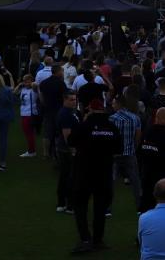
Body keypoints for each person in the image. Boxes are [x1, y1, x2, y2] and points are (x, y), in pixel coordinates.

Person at [68, 97, 122, 254]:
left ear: (90, 109)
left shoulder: (84, 125)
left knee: (80, 206)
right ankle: (98, 240)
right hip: (103, 173)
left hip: (83, 171)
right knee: (100, 207)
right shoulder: (111, 127)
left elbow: (71, 141)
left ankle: (85, 239)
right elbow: (118, 149)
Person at [138, 107, 165, 213]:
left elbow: (140, 151)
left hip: (147, 178)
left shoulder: (147, 132)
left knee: (147, 208)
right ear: (161, 118)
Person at [108, 94, 142, 215]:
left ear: (118, 104)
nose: (112, 105)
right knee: (135, 181)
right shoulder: (135, 118)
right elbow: (138, 135)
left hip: (115, 155)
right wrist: (134, 147)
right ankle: (140, 207)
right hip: (130, 153)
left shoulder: (112, 119)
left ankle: (107, 208)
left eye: (113, 103)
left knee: (110, 181)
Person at [55, 90, 79, 214]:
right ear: (65, 99)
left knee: (65, 176)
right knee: (70, 177)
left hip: (64, 149)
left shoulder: (70, 112)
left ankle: (62, 203)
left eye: (75, 99)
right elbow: (67, 136)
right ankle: (69, 205)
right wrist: (73, 150)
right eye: (71, 99)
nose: (74, 102)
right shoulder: (66, 114)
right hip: (67, 150)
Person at [15, 73, 40, 158]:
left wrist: (31, 83)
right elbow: (14, 92)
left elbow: (36, 85)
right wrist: (19, 85)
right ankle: (31, 150)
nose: (26, 83)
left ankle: (31, 151)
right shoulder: (23, 89)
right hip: (23, 113)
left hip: (30, 114)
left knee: (29, 133)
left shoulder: (34, 89)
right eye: (24, 81)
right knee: (27, 133)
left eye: (27, 81)